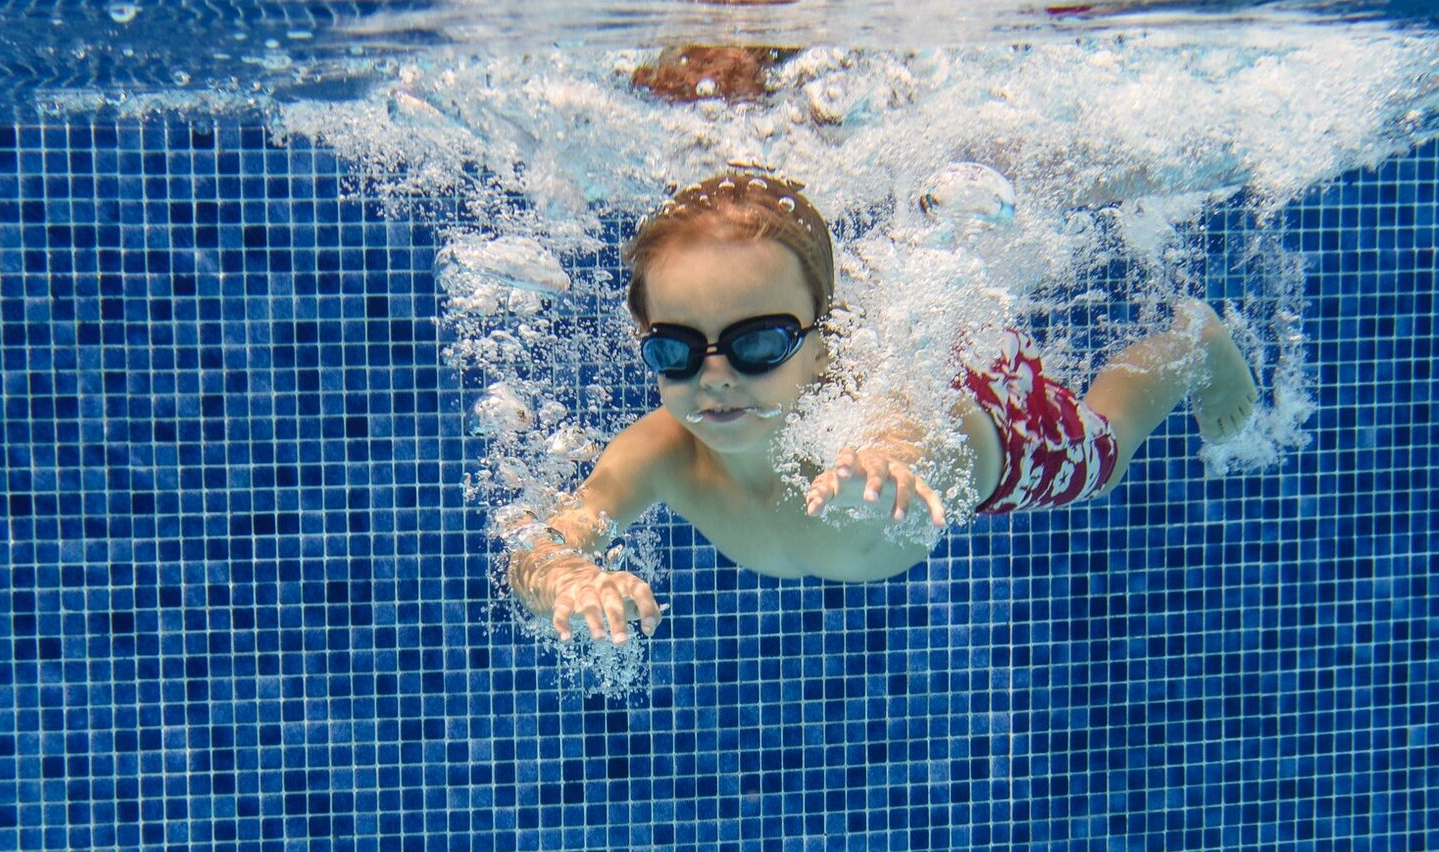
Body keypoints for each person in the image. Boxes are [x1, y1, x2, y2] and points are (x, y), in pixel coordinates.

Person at [502, 171, 1258, 643]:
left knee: (1107, 453)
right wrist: (566, 578)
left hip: (987, 422)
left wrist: (891, 463)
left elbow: (901, 430)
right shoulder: (660, 453)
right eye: (675, 348)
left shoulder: (864, 426)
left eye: (758, 341)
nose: (716, 376)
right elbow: (539, 547)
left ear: (823, 344)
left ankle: (1197, 341)